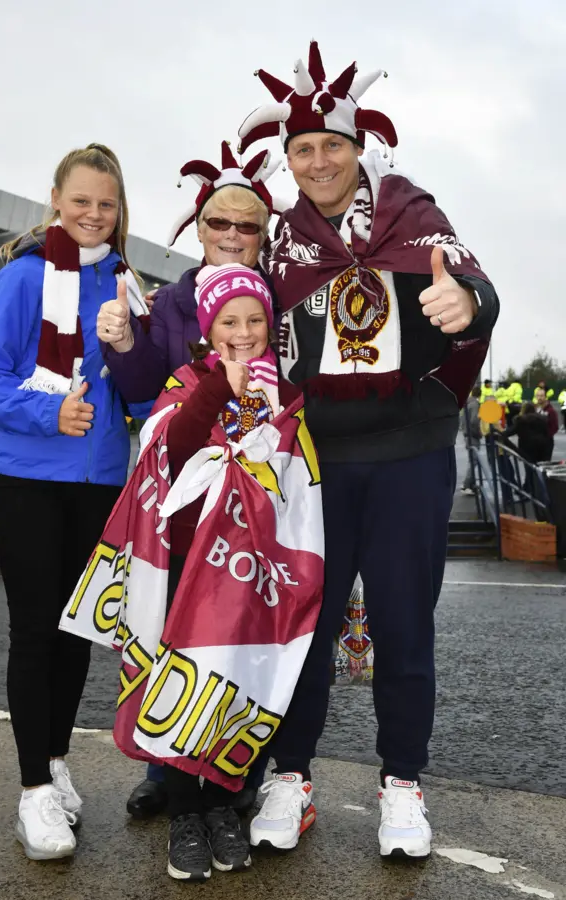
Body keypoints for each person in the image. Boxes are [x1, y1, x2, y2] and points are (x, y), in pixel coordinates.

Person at [237, 40, 500, 858]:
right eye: (303, 149)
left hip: (411, 452)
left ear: (360, 149)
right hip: (317, 461)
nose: (318, 162)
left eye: (332, 146)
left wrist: (470, 300)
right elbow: (227, 311)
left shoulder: (412, 214)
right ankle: (292, 775)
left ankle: (402, 785)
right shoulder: (282, 244)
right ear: (288, 159)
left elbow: (471, 280)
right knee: (305, 628)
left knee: (404, 625)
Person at [61, 263, 322, 881]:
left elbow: (301, 489)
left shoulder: (287, 396)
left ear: (271, 326)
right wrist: (220, 388)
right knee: (183, 684)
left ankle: (224, 804)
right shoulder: (188, 379)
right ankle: (184, 812)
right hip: (184, 565)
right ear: (208, 327)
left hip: (251, 573)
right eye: (229, 320)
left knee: (236, 685)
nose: (243, 331)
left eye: (255, 320)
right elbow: (171, 449)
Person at [0, 143, 147, 861]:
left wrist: (134, 351)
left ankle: (57, 760)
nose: (94, 215)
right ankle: (33, 790)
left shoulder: (127, 284)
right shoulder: (22, 277)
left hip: (99, 483)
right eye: (82, 201)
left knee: (77, 633)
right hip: (29, 478)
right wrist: (48, 416)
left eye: (107, 203)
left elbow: (135, 395)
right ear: (55, 201)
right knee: (36, 630)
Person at [98, 141, 285, 819]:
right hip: (180, 499)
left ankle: (241, 768)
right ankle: (162, 767)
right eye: (219, 223)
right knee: (166, 624)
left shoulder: (280, 304)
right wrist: (122, 342)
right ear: (196, 227)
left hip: (258, 506)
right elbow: (145, 386)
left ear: (264, 236)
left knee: (247, 630)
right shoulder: (171, 302)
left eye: (248, 226)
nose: (232, 237)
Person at [460, 385, 482, 494]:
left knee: (472, 460)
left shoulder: (467, 403)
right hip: (472, 436)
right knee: (473, 461)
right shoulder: (475, 405)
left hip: (467, 434)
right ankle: (467, 484)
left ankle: (471, 484)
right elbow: (474, 421)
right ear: (480, 394)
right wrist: (479, 433)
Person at [534, 387, 559, 459]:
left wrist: (546, 436)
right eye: (538, 396)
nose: (539, 398)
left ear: (545, 397)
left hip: (547, 443)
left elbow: (555, 427)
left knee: (545, 464)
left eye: (541, 396)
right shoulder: (534, 408)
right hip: (535, 443)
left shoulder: (551, 410)